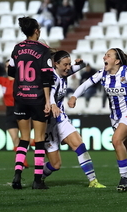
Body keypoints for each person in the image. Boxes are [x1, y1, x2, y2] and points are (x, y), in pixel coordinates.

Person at [68, 48, 127, 191]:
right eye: (104, 55)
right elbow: (86, 84)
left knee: (116, 140)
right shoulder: (103, 73)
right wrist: (74, 96)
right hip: (115, 117)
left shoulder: (126, 72)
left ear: (117, 61)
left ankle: (124, 178)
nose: (104, 57)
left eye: (108, 55)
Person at [42, 50, 105, 188]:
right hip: (47, 124)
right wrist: (52, 104)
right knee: (55, 164)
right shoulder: (51, 77)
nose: (68, 67)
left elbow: (83, 66)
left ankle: (93, 181)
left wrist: (81, 63)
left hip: (60, 118)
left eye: (69, 64)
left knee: (79, 144)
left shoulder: (64, 72)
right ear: (55, 64)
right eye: (65, 64)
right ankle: (39, 177)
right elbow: (51, 92)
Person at [8, 16, 53, 189]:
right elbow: (46, 78)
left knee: (23, 139)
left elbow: (11, 72)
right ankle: (37, 180)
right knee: (39, 139)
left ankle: (17, 175)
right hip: (37, 99)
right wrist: (48, 101)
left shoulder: (17, 48)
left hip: (20, 97)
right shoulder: (43, 49)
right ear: (36, 31)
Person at [0, 60, 34, 168]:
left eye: (11, 66)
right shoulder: (3, 81)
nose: (8, 68)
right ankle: (22, 161)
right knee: (14, 139)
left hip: (21, 109)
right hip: (9, 112)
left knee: (24, 138)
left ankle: (36, 143)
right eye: (7, 66)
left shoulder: (21, 81)